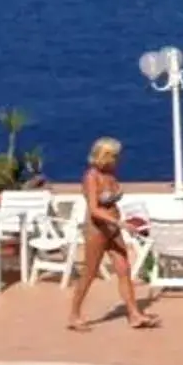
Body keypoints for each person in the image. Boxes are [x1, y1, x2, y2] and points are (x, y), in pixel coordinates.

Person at [65, 136, 158, 333]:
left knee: (124, 270)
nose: (118, 159)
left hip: (114, 228)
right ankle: (74, 314)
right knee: (89, 273)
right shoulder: (92, 177)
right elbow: (94, 209)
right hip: (98, 229)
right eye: (115, 156)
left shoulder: (111, 175)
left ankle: (134, 314)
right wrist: (120, 223)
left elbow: (112, 201)